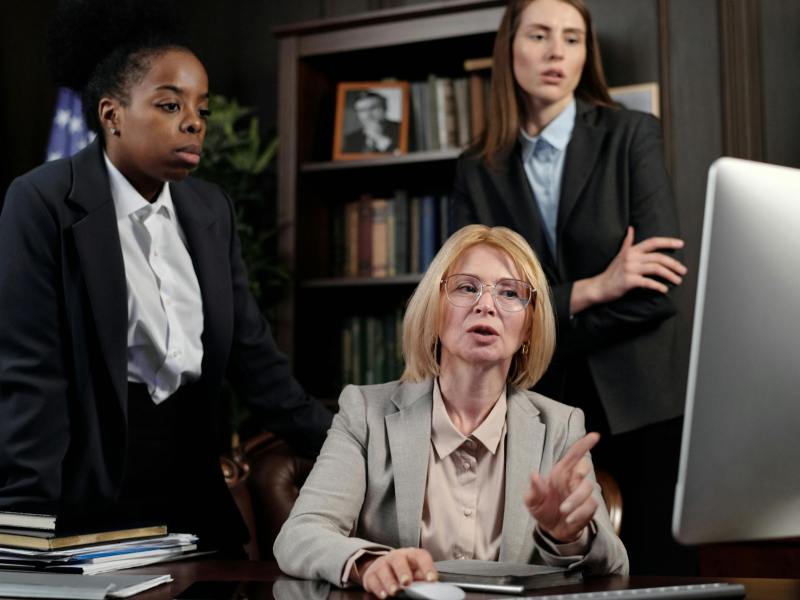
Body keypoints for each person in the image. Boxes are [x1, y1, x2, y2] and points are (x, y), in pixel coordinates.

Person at [0, 0, 332, 555]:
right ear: (111, 115)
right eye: (169, 104)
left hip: (191, 484)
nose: (194, 122)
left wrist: (350, 448)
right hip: (89, 492)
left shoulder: (210, 210)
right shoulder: (42, 202)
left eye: (202, 107)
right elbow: (31, 375)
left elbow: (254, 358)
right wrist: (25, 531)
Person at [450, 0, 691, 574]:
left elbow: (660, 291)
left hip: (642, 406)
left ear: (587, 53)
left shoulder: (631, 135)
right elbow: (469, 299)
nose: (557, 51)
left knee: (657, 574)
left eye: (573, 38)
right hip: (532, 404)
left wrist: (537, 315)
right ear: (510, 48)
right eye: (539, 35)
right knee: (550, 574)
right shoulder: (477, 167)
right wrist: (597, 286)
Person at [274, 225, 628, 596]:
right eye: (467, 287)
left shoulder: (560, 426)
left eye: (510, 293)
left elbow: (615, 568)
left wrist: (568, 537)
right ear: (434, 311)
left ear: (528, 328)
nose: (486, 305)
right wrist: (369, 563)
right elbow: (299, 534)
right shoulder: (365, 413)